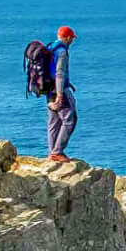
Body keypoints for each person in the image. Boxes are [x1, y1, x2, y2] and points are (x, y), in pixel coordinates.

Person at [45, 25, 77, 163]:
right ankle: (57, 152)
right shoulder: (62, 52)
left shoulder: (50, 48)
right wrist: (60, 94)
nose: (72, 41)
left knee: (54, 122)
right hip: (59, 90)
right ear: (68, 38)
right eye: (72, 39)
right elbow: (59, 73)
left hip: (48, 90)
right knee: (69, 120)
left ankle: (52, 152)